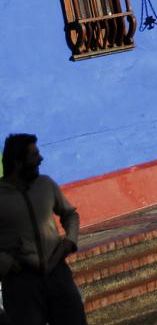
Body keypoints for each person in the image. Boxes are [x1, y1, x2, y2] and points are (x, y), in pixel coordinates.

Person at [0, 133, 87, 325]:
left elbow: (70, 214)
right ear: (17, 162)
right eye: (34, 155)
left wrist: (70, 241)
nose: (41, 158)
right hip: (21, 282)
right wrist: (4, 261)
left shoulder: (46, 185)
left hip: (57, 273)